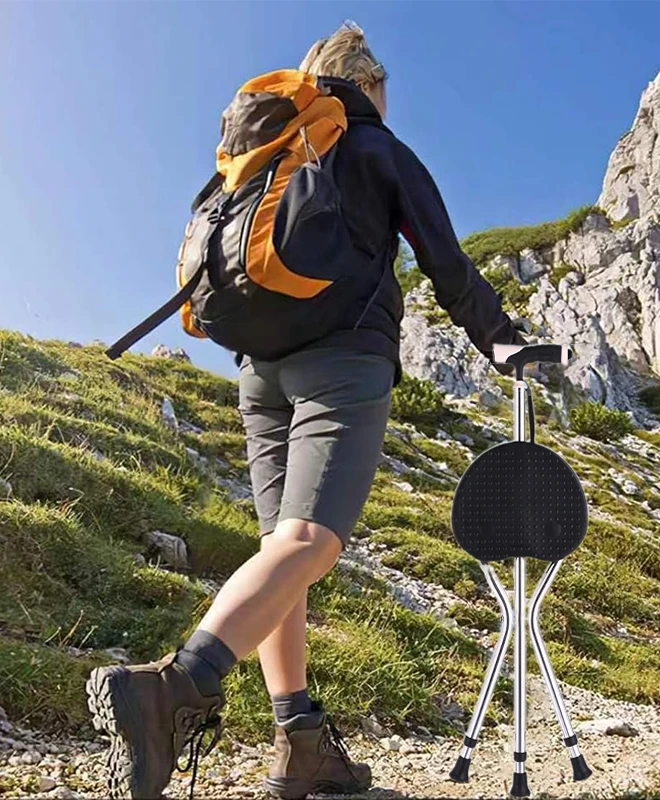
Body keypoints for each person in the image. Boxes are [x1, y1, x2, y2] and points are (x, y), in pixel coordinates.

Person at [86, 20, 526, 800]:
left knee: (281, 552)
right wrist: (502, 341)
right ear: (373, 84)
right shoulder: (371, 145)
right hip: (343, 364)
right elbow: (447, 264)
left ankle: (299, 744)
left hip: (260, 373)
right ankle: (174, 686)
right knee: (313, 546)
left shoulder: (268, 157)